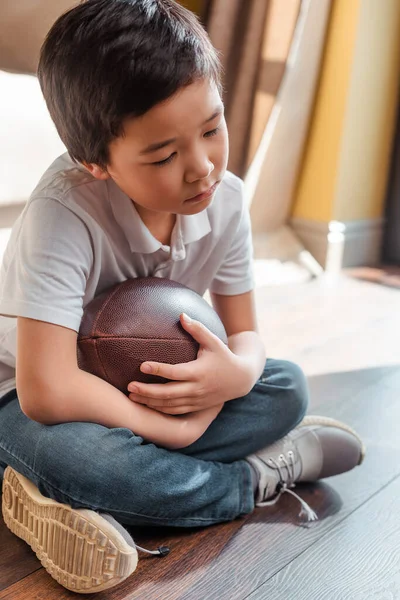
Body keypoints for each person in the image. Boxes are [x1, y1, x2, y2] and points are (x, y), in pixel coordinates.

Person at [0, 0, 365, 594]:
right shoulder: (62, 213)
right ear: (96, 162)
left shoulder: (225, 201)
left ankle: (67, 499)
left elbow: (245, 334)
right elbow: (47, 390)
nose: (202, 168)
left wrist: (237, 375)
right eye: (164, 155)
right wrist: (172, 431)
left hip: (162, 395)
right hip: (33, 398)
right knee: (83, 459)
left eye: (212, 128)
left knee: (286, 385)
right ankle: (253, 477)